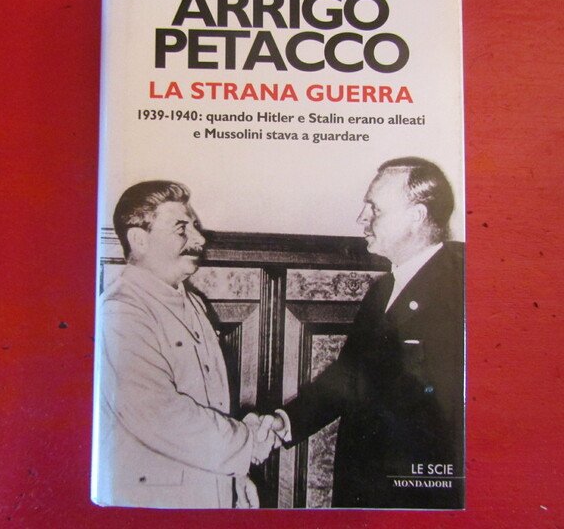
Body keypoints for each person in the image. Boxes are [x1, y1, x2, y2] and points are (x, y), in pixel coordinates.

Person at [261, 157, 465, 508]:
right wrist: (286, 421)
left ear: (416, 216)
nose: (361, 218)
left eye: (375, 208)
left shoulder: (459, 288)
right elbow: (351, 375)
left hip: (414, 499)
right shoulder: (383, 291)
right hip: (369, 489)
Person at [92, 180, 272, 509]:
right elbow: (161, 416)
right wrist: (247, 443)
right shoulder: (121, 312)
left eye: (195, 227)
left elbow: (209, 405)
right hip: (154, 504)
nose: (199, 240)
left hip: (206, 495)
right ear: (139, 240)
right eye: (181, 229)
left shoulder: (194, 304)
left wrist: (236, 477)